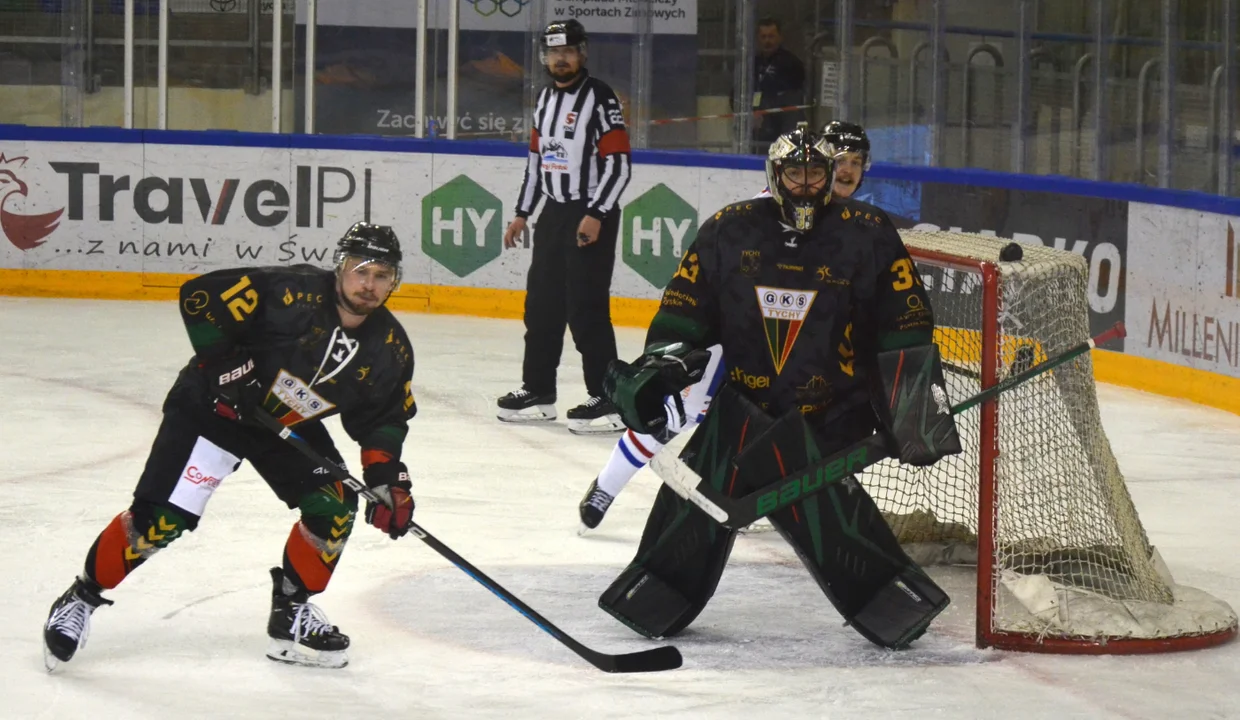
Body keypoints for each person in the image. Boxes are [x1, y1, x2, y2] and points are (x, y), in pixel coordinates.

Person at [595, 124, 961, 649]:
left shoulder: (868, 230)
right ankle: (661, 582)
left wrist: (912, 404)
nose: (807, 184)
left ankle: (886, 592)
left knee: (816, 500)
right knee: (714, 488)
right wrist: (662, 366)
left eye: (817, 172)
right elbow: (684, 314)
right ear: (775, 173)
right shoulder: (730, 229)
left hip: (834, 411)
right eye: (796, 172)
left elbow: (904, 319)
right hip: (746, 407)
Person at [41, 223, 419, 671]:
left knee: (335, 505)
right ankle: (82, 597)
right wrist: (226, 366)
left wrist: (385, 479)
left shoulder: (390, 348)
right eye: (361, 271)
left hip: (282, 423)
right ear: (340, 267)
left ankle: (291, 613)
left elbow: (383, 418)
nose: (369, 285)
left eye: (382, 275)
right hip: (213, 409)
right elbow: (201, 298)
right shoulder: (290, 292)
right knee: (160, 521)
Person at [578, 120, 874, 531]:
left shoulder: (852, 224)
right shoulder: (766, 210)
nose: (846, 171)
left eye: (855, 162)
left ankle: (763, 499)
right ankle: (606, 486)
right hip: (730, 332)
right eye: (839, 161)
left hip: (789, 344)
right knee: (675, 412)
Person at [497, 19, 633, 435]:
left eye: (568, 51)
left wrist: (596, 213)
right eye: (554, 52)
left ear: (582, 53)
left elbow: (619, 165)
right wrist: (522, 212)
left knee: (586, 308)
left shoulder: (600, 97)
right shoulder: (543, 99)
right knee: (542, 305)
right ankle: (538, 391)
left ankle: (608, 399)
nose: (561, 58)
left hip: (590, 211)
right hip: (554, 213)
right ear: (545, 57)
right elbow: (537, 161)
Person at [751, 17, 806, 153]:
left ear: (780, 37)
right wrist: (749, 112)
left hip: (783, 128)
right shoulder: (752, 63)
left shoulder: (791, 63)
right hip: (759, 128)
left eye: (771, 36)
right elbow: (739, 92)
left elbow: (794, 96)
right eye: (763, 37)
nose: (767, 41)